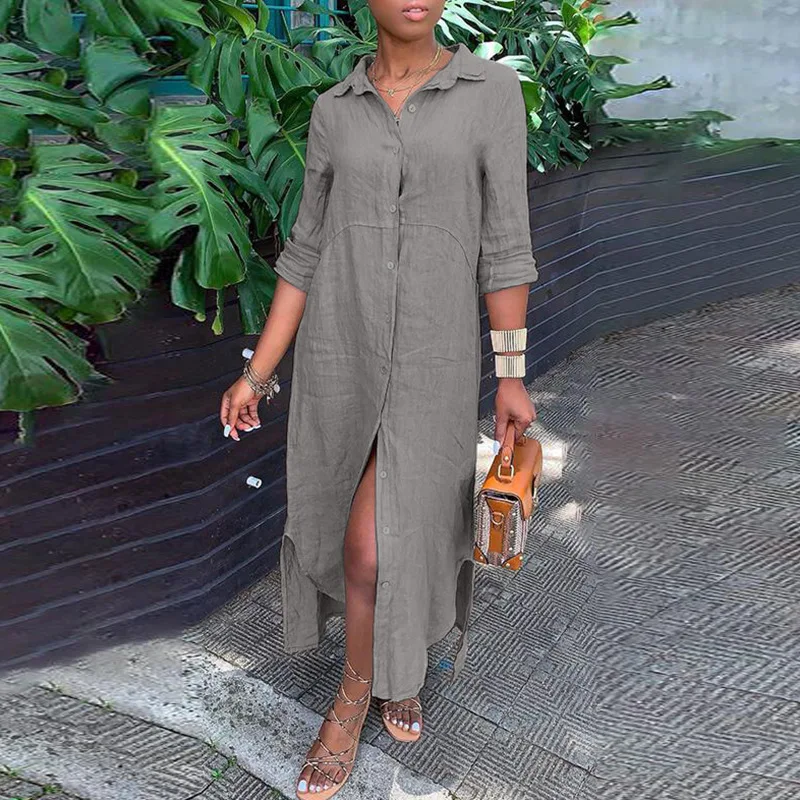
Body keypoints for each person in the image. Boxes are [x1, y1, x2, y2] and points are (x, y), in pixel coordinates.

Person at [219, 1, 539, 796]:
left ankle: (352, 699)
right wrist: (258, 374)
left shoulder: (491, 93)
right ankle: (399, 672)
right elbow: (305, 250)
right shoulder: (335, 110)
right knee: (354, 534)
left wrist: (510, 373)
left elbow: (505, 246)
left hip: (434, 363)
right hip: (341, 353)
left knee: (381, 543)